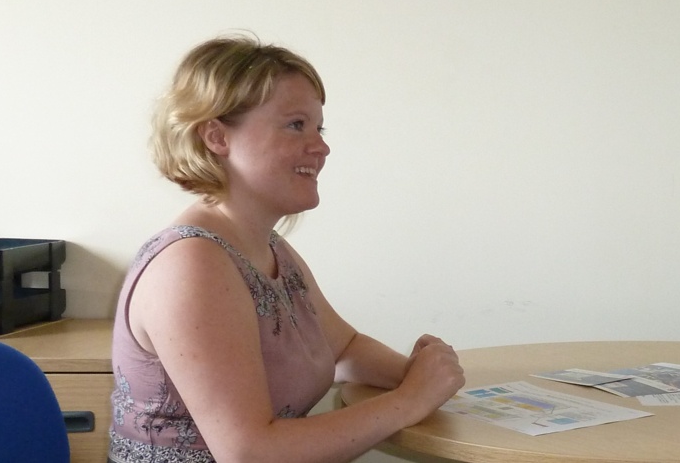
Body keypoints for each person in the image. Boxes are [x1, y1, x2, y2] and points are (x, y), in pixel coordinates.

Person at [109, 35, 465, 462]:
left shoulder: (268, 248)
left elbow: (344, 349)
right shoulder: (191, 265)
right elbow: (249, 453)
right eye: (296, 125)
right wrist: (410, 399)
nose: (321, 146)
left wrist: (419, 376)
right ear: (217, 137)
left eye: (319, 128)